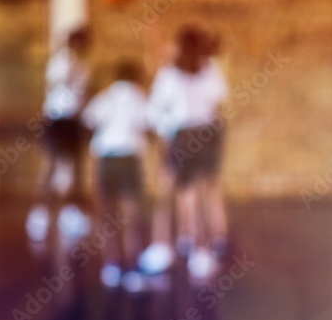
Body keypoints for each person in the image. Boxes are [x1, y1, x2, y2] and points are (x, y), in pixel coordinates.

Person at [141, 25, 229, 280]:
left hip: (183, 135)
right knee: (197, 193)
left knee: (171, 192)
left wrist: (165, 131)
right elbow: (219, 102)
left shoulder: (171, 74)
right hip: (204, 134)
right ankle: (199, 250)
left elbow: (154, 109)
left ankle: (165, 246)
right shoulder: (209, 70)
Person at [81, 59, 150, 290]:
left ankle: (111, 263)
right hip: (130, 157)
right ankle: (133, 261)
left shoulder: (105, 97)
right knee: (130, 211)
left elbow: (88, 121)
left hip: (107, 158)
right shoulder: (139, 97)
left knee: (106, 212)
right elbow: (148, 125)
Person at [26, 25, 93, 245]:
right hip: (57, 119)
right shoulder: (61, 61)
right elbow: (56, 84)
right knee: (50, 166)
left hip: (74, 119)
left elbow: (83, 93)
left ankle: (71, 213)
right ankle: (40, 214)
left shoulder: (84, 65)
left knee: (76, 166)